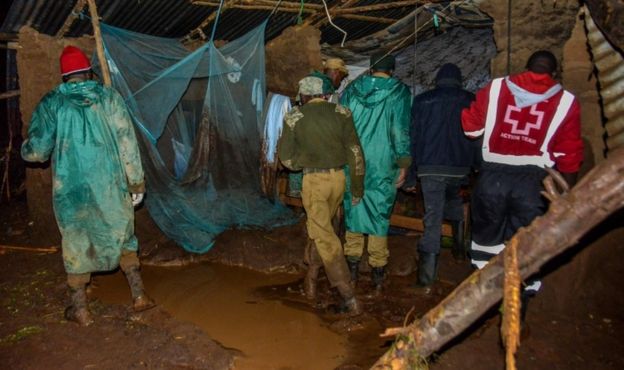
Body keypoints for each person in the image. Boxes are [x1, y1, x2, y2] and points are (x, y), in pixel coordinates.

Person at [21, 46, 155, 326]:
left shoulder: (52, 103)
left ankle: (81, 310)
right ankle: (139, 296)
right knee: (122, 234)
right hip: (110, 186)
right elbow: (127, 142)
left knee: (76, 241)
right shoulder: (108, 97)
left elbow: (36, 153)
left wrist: (27, 147)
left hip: (72, 191)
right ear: (87, 71)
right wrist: (136, 182)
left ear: (64, 76)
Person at [461, 50, 583, 317]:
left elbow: (471, 129)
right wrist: (565, 195)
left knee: (486, 243)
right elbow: (570, 154)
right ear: (554, 73)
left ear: (527, 68)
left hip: (492, 177)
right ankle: (518, 309)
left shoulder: (494, 88)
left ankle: (484, 306)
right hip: (534, 183)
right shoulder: (566, 101)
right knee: (525, 244)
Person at [278, 75, 365, 314]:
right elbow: (356, 153)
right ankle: (312, 280)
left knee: (325, 236)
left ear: (304, 96)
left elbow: (285, 159)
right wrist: (356, 187)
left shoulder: (295, 117)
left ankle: (348, 295)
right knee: (322, 228)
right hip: (338, 179)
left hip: (314, 181)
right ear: (325, 94)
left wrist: (300, 162)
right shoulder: (342, 113)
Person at [340, 51, 412, 293]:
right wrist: (403, 163)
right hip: (383, 162)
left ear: (370, 68)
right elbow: (400, 130)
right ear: (391, 70)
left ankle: (351, 271)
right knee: (379, 215)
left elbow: (342, 126)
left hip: (354, 161)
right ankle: (378, 275)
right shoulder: (398, 92)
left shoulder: (350, 90)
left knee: (354, 208)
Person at [406, 63, 480, 289]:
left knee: (433, 217)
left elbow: (414, 139)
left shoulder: (422, 101)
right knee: (455, 200)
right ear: (459, 80)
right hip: (459, 166)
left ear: (438, 79)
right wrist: (476, 166)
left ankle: (426, 279)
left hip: (430, 167)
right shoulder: (471, 99)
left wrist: (411, 175)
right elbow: (477, 136)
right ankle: (458, 250)